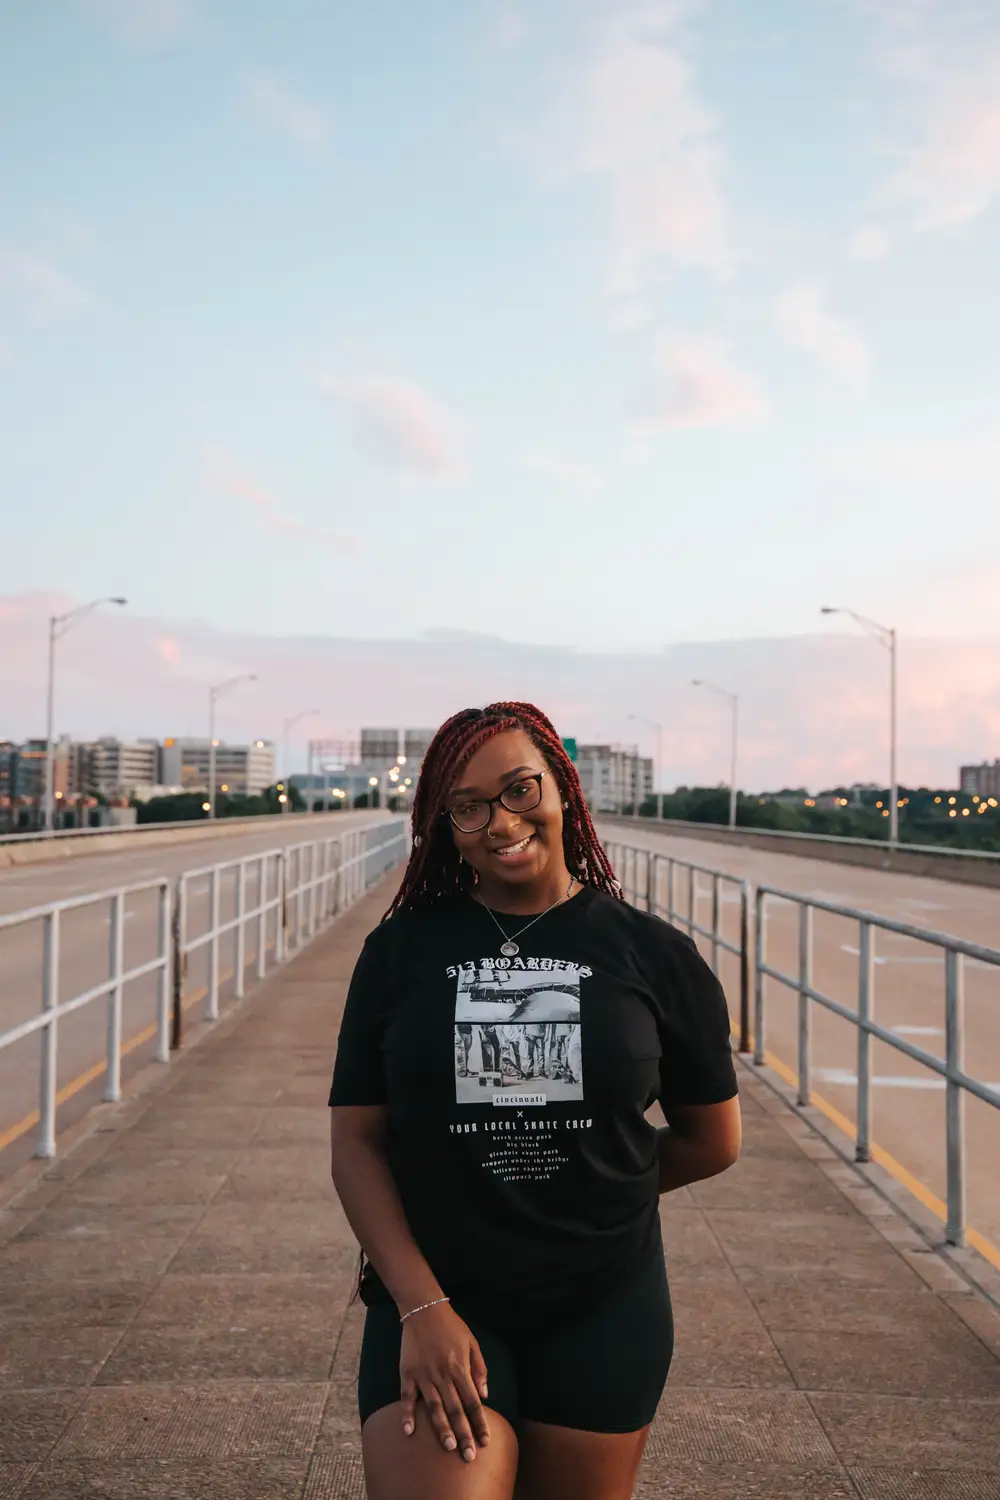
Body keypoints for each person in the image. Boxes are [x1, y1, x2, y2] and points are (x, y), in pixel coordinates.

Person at [329, 702, 741, 1500]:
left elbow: (713, 1140)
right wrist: (420, 1309)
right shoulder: (400, 952)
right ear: (443, 824)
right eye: (470, 806)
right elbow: (357, 1146)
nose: (500, 821)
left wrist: (579, 1191)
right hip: (439, 1293)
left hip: (604, 1304)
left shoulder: (654, 954)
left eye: (520, 790)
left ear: (562, 790)